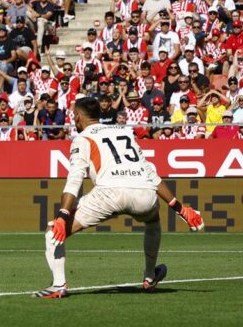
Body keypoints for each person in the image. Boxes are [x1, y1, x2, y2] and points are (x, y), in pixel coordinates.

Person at [34, 97, 205, 298]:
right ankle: (150, 276)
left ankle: (59, 284)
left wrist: (63, 215)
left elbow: (74, 180)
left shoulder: (82, 139)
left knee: (52, 231)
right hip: (143, 193)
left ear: (78, 117)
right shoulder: (124, 131)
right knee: (152, 220)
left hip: (108, 193)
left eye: (74, 116)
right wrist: (180, 208)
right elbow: (149, 172)